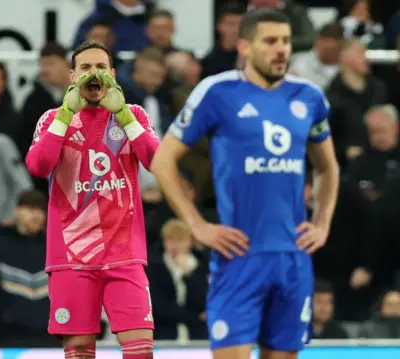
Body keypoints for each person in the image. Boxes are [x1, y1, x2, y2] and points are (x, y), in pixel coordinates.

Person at [150, 8, 340, 359]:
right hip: (239, 256)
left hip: (292, 257)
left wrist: (323, 223)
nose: (281, 49)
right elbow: (162, 161)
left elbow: (328, 168)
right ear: (244, 46)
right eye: (270, 41)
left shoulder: (309, 97)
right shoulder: (217, 92)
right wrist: (197, 226)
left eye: (285, 41)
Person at [25, 40, 160, 359]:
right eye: (85, 68)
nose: (93, 73)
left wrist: (124, 114)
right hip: (72, 256)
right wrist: (67, 112)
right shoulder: (52, 119)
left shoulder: (134, 115)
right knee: (80, 352)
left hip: (124, 254)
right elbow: (38, 166)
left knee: (141, 352)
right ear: (72, 76)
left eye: (100, 67)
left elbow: (158, 162)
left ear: (112, 75)